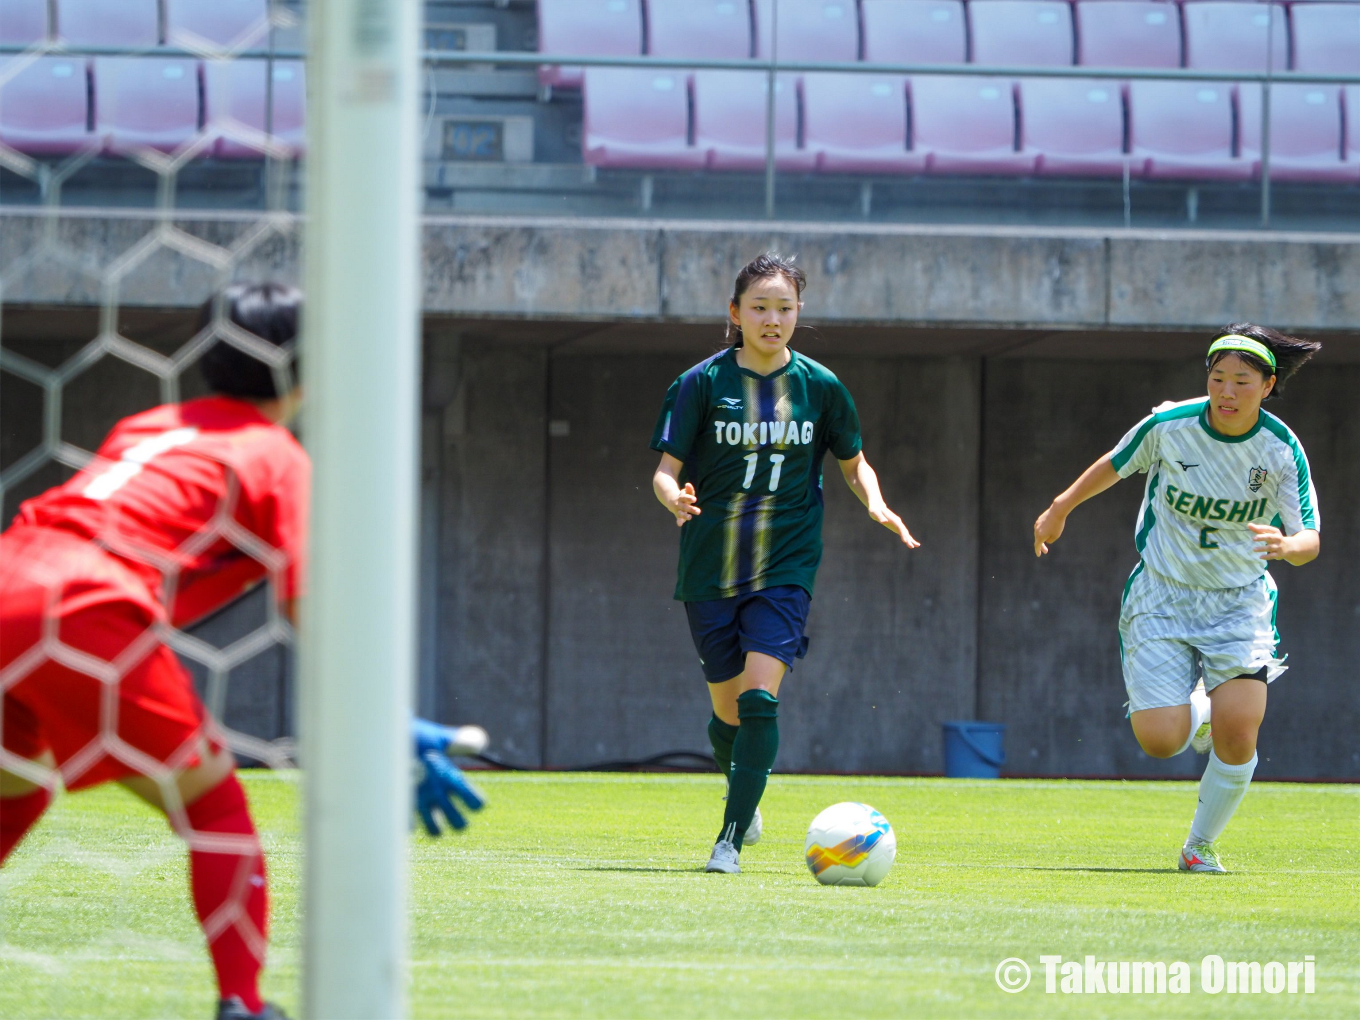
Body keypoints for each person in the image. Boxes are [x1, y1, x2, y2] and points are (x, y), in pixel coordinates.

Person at [0, 284, 482, 1020]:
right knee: (214, 805)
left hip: (11, 572)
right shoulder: (276, 455)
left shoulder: (147, 424)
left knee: (17, 786)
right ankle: (244, 1005)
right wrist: (387, 721)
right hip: (79, 605)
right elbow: (308, 609)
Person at [650, 253, 919, 875]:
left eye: (785, 308)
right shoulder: (699, 384)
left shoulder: (822, 387)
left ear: (799, 313)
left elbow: (854, 465)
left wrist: (877, 504)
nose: (773, 319)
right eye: (760, 308)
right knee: (726, 714)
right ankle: (743, 780)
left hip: (786, 567)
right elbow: (665, 472)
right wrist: (675, 498)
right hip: (709, 569)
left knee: (759, 702)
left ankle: (728, 839)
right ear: (735, 313)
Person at [1033, 325, 1320, 874]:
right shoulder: (1169, 425)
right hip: (1163, 593)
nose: (1227, 392)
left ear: (1268, 385)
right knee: (1161, 741)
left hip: (1238, 601)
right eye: (1217, 379)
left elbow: (1309, 538)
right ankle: (1201, 707)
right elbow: (1113, 464)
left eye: (1241, 381)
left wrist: (1288, 546)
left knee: (1239, 734)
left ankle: (1199, 847)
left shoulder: (1281, 448)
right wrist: (1059, 508)